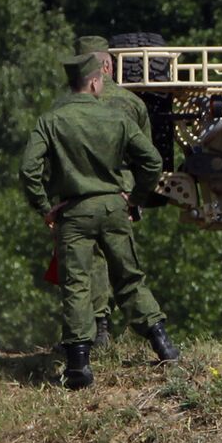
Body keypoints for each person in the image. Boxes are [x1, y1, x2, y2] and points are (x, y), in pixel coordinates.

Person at [19, 53, 180, 389]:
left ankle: (79, 367)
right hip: (113, 208)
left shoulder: (51, 121)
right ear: (95, 81)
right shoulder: (116, 119)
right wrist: (135, 197)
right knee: (129, 279)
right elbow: (152, 160)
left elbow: (28, 169)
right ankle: (163, 345)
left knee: (77, 285)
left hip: (73, 213)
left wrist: (44, 206)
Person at [74, 34, 155, 348]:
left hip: (78, 192)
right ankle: (154, 335)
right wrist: (136, 197)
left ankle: (96, 329)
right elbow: (146, 159)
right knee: (125, 265)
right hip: (120, 194)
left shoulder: (66, 103)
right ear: (108, 66)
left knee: (84, 265)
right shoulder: (132, 103)